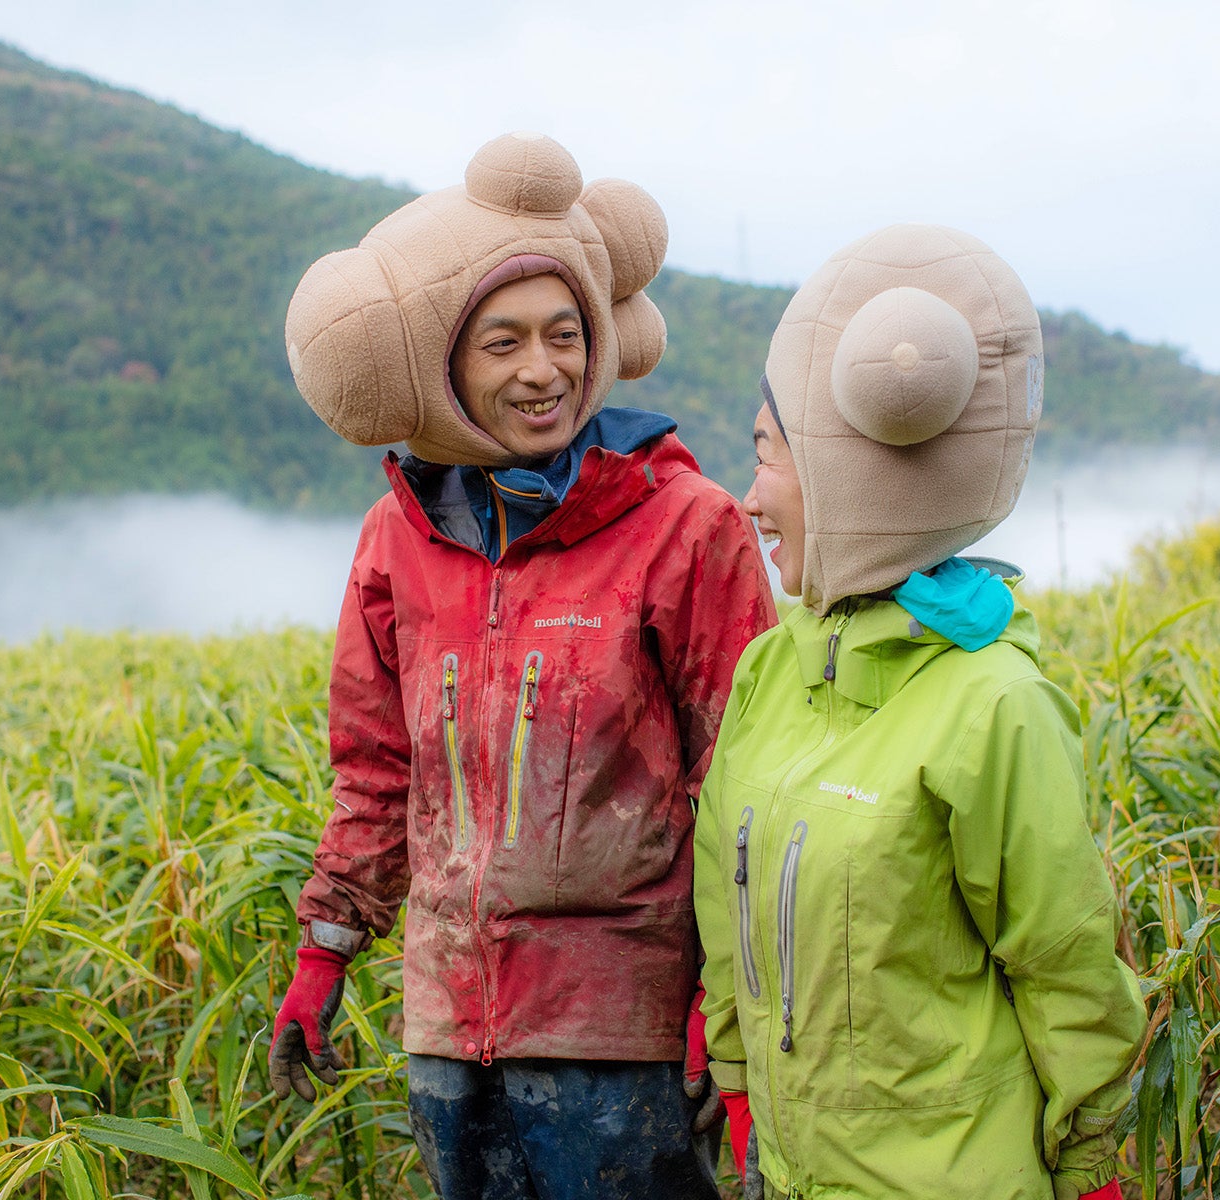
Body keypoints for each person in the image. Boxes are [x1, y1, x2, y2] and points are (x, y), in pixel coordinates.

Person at [268, 132, 777, 1199]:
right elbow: (376, 774)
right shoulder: (397, 541)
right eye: (501, 343)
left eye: (564, 334)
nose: (542, 370)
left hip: (625, 1036)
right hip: (449, 1034)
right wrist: (323, 954)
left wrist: (721, 1007)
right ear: (442, 366)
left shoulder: (687, 525)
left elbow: (743, 788)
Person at [693, 224, 1147, 1200]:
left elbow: (1065, 963)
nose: (751, 500)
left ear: (844, 472)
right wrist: (740, 1097)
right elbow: (724, 913)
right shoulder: (772, 672)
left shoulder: (994, 702)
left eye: (768, 456)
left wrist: (1092, 1170)